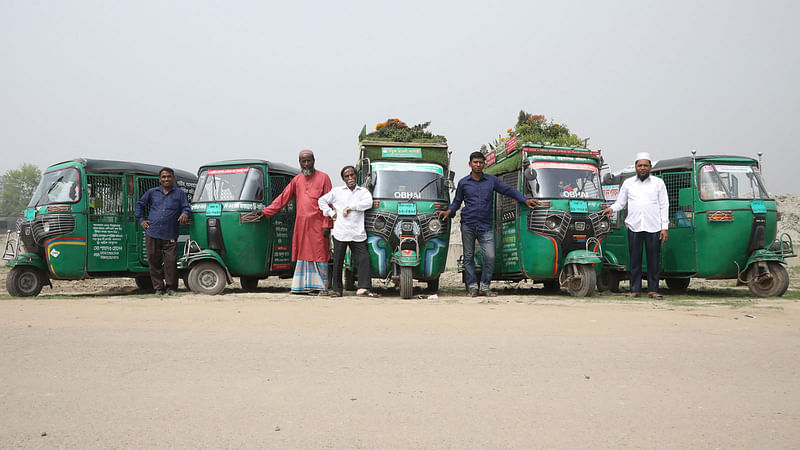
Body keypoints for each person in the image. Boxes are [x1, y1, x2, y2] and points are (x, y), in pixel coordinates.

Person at [437, 151, 539, 298]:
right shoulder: (463, 182)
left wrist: (524, 200)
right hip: (468, 224)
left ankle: (484, 287)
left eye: (481, 162)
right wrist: (449, 211)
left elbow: (508, 190)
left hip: (486, 226)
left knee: (490, 256)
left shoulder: (492, 181)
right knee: (468, 257)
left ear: (484, 164)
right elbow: (457, 201)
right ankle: (472, 288)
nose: (478, 165)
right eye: (475, 162)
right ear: (470, 164)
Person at [261, 149, 333, 295]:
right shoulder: (297, 180)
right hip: (301, 225)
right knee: (304, 254)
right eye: (303, 161)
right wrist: (265, 212)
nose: (306, 164)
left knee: (320, 253)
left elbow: (329, 203)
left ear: (314, 160)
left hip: (319, 225)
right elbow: (283, 198)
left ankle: (320, 288)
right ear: (299, 162)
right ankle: (302, 287)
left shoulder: (324, 178)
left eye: (309, 160)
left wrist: (327, 224)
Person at [600, 152, 669, 299]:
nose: (642, 168)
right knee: (635, 260)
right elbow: (621, 202)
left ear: (650, 167)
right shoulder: (628, 183)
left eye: (645, 165)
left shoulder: (658, 183)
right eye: (640, 165)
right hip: (634, 226)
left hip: (654, 227)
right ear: (636, 167)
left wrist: (665, 227)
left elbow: (664, 205)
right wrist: (612, 208)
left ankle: (653, 290)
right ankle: (635, 289)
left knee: (653, 260)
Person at [317, 165, 378, 297]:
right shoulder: (337, 191)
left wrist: (352, 207)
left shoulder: (363, 191)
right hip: (341, 232)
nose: (350, 178)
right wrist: (330, 213)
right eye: (347, 176)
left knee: (364, 259)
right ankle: (337, 290)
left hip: (357, 233)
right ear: (343, 179)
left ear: (356, 176)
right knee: (338, 261)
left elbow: (369, 203)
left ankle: (363, 288)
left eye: (352, 175)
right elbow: (321, 201)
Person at [135, 167, 192, 295]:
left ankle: (171, 288)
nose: (166, 179)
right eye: (164, 177)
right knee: (153, 261)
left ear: (173, 178)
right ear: (159, 179)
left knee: (170, 262)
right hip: (152, 231)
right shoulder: (152, 192)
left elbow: (186, 207)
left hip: (170, 233)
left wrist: (185, 213)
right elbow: (140, 204)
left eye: (169, 177)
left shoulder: (179, 193)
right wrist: (141, 220)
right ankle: (158, 288)